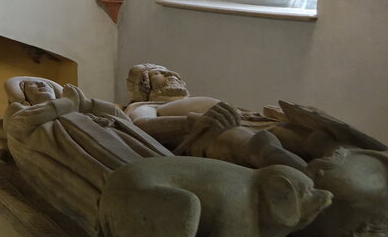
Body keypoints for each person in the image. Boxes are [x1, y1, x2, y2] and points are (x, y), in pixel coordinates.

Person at [0, 76, 168, 230]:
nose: (42, 85)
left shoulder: (81, 107)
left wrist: (87, 104)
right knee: (119, 172)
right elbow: (18, 127)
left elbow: (123, 118)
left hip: (117, 138)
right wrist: (68, 103)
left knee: (151, 164)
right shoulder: (23, 112)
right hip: (78, 148)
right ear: (25, 95)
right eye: (32, 85)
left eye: (45, 84)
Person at [123, 63, 305, 170]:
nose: (171, 75)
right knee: (263, 149)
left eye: (170, 72)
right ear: (144, 86)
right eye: (158, 73)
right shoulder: (144, 105)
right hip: (212, 131)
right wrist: (193, 122)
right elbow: (142, 124)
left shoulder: (192, 97)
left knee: (303, 138)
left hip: (246, 119)